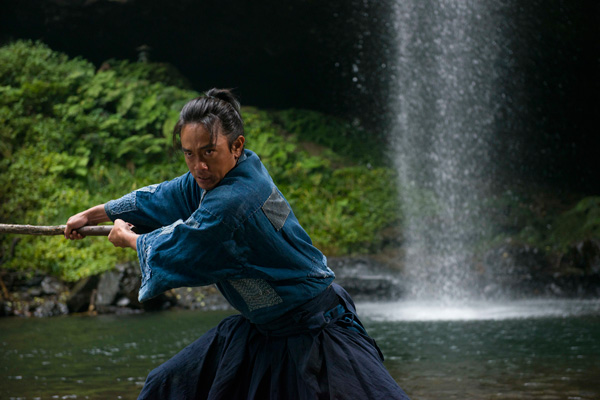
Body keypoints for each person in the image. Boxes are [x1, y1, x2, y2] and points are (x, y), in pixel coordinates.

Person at [65, 88, 410, 400]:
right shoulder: (220, 175)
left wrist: (129, 239)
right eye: (189, 154)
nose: (198, 166)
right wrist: (94, 213)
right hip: (264, 329)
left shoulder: (234, 200)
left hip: (316, 329)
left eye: (208, 152)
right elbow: (165, 195)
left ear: (237, 146)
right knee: (167, 387)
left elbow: (187, 245)